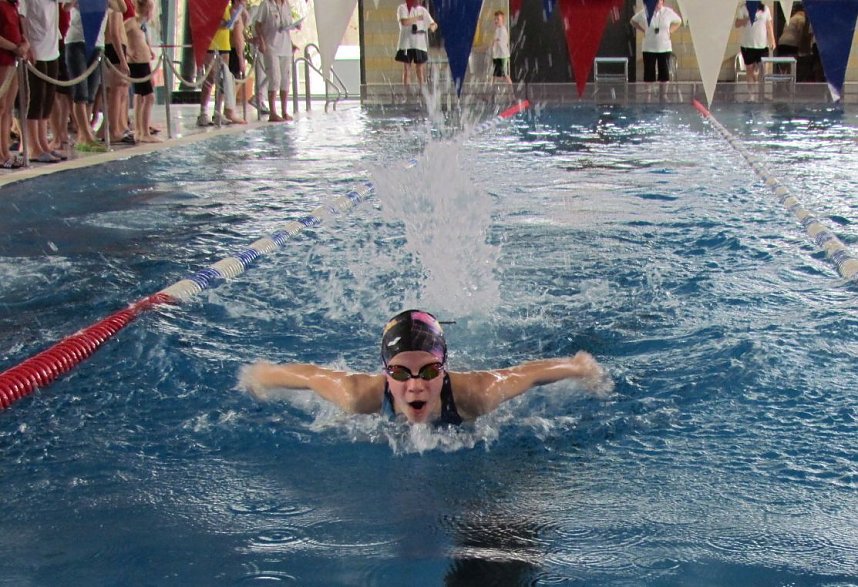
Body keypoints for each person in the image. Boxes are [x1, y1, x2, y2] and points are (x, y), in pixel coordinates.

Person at [239, 309, 612, 425]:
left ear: (444, 370)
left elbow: (526, 374)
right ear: (385, 372)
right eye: (400, 373)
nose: (415, 385)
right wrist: (260, 376)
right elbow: (310, 376)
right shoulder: (358, 395)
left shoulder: (476, 394)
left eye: (430, 372)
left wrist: (581, 367)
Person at [20, 0, 64, 163]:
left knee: (48, 98)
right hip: (36, 45)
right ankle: (33, 146)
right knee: (36, 98)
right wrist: (27, 43)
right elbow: (22, 16)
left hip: (52, 45)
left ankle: (43, 143)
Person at [65, 0, 109, 152]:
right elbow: (65, 7)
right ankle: (86, 134)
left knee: (90, 94)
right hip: (77, 41)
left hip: (97, 44)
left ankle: (83, 137)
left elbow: (121, 8)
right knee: (81, 94)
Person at [254, 0, 297, 122]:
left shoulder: (286, 5)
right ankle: (272, 113)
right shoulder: (266, 5)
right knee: (275, 79)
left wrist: (291, 43)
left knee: (285, 80)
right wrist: (261, 41)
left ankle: (284, 111)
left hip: (285, 48)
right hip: (271, 47)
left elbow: (286, 28)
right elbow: (257, 25)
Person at [124, 0, 158, 143]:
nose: (151, 13)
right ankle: (144, 132)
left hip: (143, 63)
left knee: (139, 97)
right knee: (149, 97)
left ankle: (139, 131)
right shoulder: (131, 22)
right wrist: (128, 54)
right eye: (150, 9)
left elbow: (140, 41)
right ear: (146, 9)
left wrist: (149, 50)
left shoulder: (141, 25)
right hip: (137, 64)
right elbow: (117, 36)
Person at [0, 0, 28, 169]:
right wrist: (15, 47)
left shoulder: (13, 6)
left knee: (7, 108)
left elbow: (20, 33)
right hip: (3, 59)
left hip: (13, 60)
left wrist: (24, 45)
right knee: (1, 107)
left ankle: (5, 152)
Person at [630, 0, 682, 85]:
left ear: (662, 2)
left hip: (664, 47)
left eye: (659, 1)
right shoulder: (645, 12)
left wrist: (670, 31)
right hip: (649, 47)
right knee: (649, 74)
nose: (657, 2)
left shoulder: (668, 12)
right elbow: (633, 21)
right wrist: (643, 30)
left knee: (664, 73)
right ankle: (648, 93)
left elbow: (678, 21)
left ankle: (663, 93)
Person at [395, 0, 437, 88]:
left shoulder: (422, 10)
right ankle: (407, 92)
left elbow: (433, 24)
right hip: (406, 44)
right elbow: (404, 22)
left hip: (419, 44)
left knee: (420, 70)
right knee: (407, 69)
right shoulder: (402, 8)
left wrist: (432, 28)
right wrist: (417, 18)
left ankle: (422, 91)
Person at [735, 1, 775, 93]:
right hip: (747, 45)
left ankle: (760, 91)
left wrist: (772, 40)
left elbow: (769, 25)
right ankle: (751, 95)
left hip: (762, 45)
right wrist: (746, 19)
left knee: (763, 70)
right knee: (749, 70)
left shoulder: (765, 9)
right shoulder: (743, 9)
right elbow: (737, 24)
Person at [491, 10, 512, 85]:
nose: (496, 21)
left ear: (502, 20)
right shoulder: (497, 30)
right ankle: (492, 90)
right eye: (495, 19)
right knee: (495, 75)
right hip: (498, 56)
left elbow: (500, 41)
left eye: (498, 19)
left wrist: (495, 41)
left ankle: (511, 91)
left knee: (506, 75)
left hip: (503, 56)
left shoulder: (503, 30)